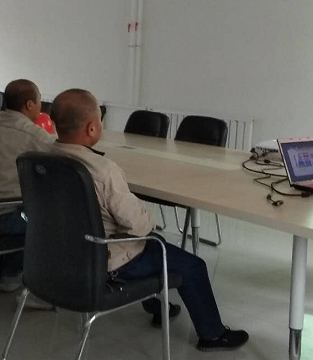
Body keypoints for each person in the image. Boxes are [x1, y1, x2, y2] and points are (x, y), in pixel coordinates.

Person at [48, 89, 249, 352]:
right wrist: (146, 212)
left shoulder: (43, 157)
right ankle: (213, 335)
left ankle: (157, 306)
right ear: (92, 128)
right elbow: (138, 226)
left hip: (63, 254)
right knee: (192, 265)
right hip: (107, 262)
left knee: (153, 243)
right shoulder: (103, 171)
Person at [0, 79, 55, 296]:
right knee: (55, 218)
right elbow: (64, 156)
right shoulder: (32, 134)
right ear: (29, 104)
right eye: (39, 100)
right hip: (2, 217)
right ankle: (15, 275)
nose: (41, 105)